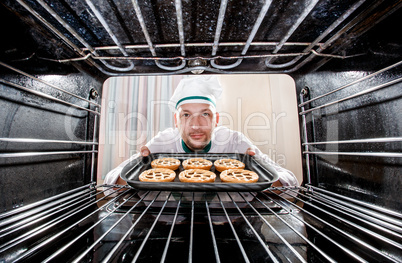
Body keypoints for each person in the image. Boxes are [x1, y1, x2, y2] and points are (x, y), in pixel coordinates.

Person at [104, 76, 298, 188]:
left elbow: (291, 182)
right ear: (176, 121)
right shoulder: (163, 142)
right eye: (186, 115)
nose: (196, 125)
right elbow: (110, 185)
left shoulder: (235, 141)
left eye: (205, 114)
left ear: (217, 120)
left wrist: (259, 169)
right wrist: (139, 165)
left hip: (231, 223)